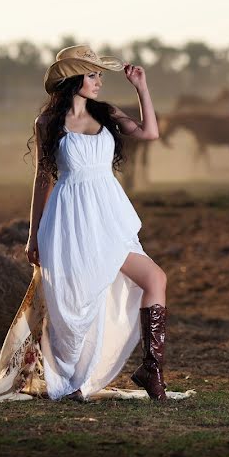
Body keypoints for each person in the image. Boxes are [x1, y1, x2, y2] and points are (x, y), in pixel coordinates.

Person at [25, 44, 169, 401]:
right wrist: (33, 235)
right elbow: (44, 178)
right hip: (70, 220)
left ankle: (151, 370)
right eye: (92, 75)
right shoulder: (49, 123)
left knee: (155, 278)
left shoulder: (105, 113)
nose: (99, 81)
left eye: (99, 74)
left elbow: (150, 133)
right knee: (77, 304)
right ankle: (72, 382)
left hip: (108, 216)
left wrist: (141, 87)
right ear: (73, 79)